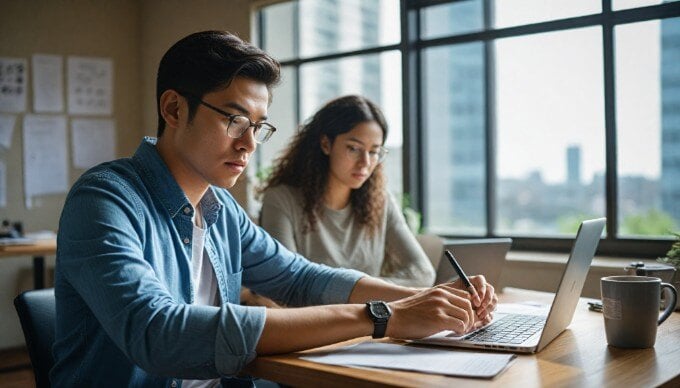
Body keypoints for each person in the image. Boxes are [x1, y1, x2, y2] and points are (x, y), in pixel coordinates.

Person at [52, 30, 497, 387]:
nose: (248, 144)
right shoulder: (104, 199)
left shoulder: (220, 208)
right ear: (173, 108)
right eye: (234, 120)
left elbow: (301, 278)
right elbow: (160, 333)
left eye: (258, 127)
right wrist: (384, 317)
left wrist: (430, 300)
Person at [259, 95, 435, 288]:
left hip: (370, 317)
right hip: (313, 318)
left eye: (374, 151)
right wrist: (365, 291)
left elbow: (423, 273)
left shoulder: (381, 201)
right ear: (326, 144)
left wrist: (352, 291)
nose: (365, 163)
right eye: (354, 148)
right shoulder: (281, 199)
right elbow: (286, 282)